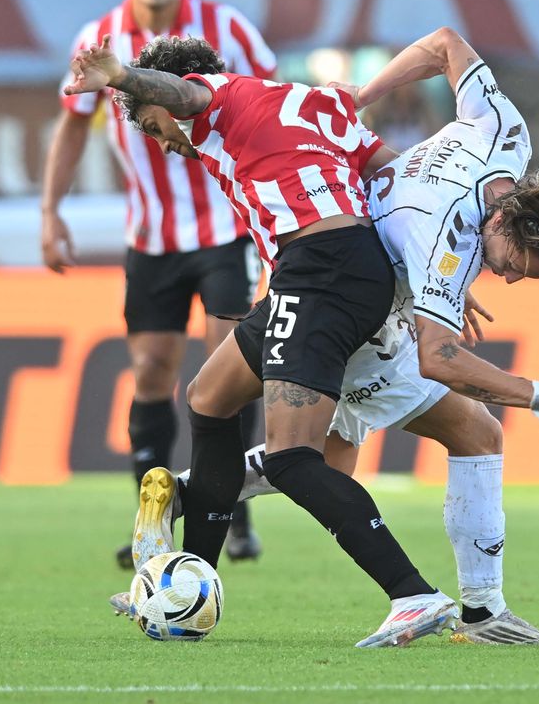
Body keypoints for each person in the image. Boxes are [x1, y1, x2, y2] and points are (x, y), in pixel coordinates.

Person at [106, 27, 539, 646]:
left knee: (306, 448)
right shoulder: (447, 242)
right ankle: (196, 565)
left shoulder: (501, 132)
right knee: (251, 424)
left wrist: (364, 93)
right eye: (517, 265)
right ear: (509, 220)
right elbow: (439, 354)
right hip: (344, 291)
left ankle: (445, 603)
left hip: (337, 277)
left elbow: (445, 46)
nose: (511, 278)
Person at [67, 33, 461, 648]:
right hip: (330, 271)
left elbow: (180, 92)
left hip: (320, 270)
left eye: (153, 125)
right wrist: (438, 269)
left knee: (290, 459)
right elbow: (393, 178)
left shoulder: (216, 96)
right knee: (208, 398)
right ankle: (185, 579)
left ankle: (413, 594)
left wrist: (122, 76)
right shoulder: (312, 103)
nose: (165, 143)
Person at [40, 0, 275, 566]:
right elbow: (71, 124)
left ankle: (231, 511)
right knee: (150, 373)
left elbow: (274, 100)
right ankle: (148, 517)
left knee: (229, 370)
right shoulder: (98, 38)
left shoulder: (226, 28)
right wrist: (50, 211)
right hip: (150, 238)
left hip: (226, 228)